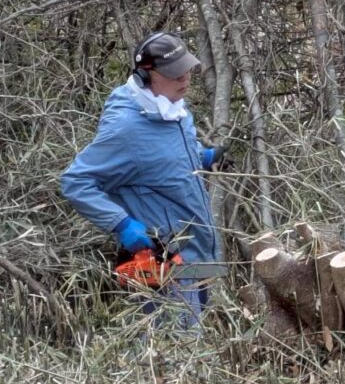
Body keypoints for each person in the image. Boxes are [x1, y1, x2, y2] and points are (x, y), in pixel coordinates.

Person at [61, 31, 226, 328]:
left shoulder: (174, 108)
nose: (185, 78)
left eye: (186, 69)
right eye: (175, 74)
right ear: (145, 75)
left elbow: (164, 157)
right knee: (175, 358)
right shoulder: (125, 129)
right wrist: (121, 224)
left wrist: (205, 157)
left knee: (200, 348)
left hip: (198, 251)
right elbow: (76, 181)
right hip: (165, 264)